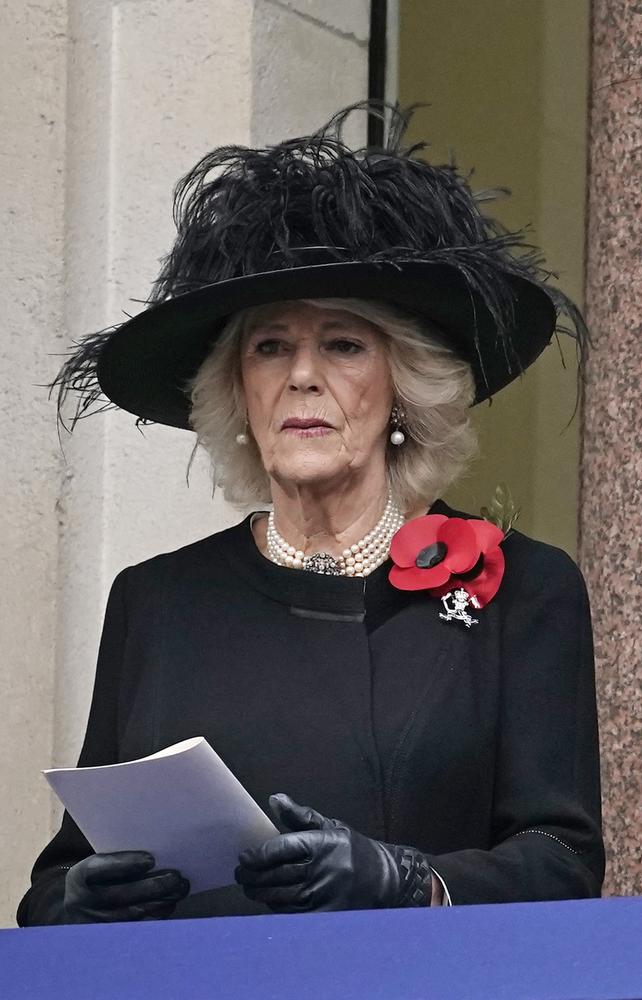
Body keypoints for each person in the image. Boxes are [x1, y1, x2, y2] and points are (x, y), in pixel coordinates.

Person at [16, 102, 604, 926]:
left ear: (404, 384)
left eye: (342, 344)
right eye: (269, 347)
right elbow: (56, 882)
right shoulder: (156, 601)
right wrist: (76, 901)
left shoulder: (525, 592)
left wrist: (408, 882)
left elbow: (563, 862)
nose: (301, 376)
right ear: (238, 393)